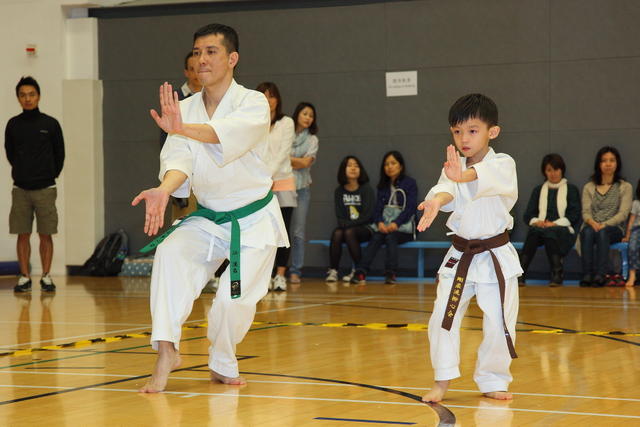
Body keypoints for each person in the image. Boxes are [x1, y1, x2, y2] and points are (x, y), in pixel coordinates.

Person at [132, 23, 287, 393]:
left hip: (253, 219)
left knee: (231, 302)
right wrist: (164, 190)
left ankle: (221, 360)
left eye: (211, 52)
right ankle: (167, 350)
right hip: (208, 217)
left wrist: (182, 127)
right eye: (198, 52)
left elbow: (220, 136)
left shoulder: (252, 103)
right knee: (170, 254)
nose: (202, 59)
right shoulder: (182, 110)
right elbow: (180, 163)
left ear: (232, 59)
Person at [417, 93, 521, 403]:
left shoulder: (503, 164)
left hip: (495, 257)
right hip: (459, 256)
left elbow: (480, 178)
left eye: (473, 130)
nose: (464, 138)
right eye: (457, 131)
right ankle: (442, 381)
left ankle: (493, 379)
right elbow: (446, 189)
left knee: (499, 321)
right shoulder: (453, 167)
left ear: (493, 132)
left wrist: (461, 176)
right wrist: (436, 200)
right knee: (442, 318)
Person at [5, 76, 65, 293]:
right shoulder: (12, 124)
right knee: (22, 233)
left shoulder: (50, 124)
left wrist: (47, 175)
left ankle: (46, 277)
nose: (27, 99)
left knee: (46, 233)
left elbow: (60, 154)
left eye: (31, 94)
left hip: (46, 189)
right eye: (23, 95)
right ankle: (24, 277)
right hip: (20, 189)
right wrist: (24, 174)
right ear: (18, 98)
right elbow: (10, 153)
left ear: (38, 96)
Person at [351, 151, 417, 284]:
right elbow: (377, 209)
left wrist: (396, 223)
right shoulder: (383, 186)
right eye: (386, 164)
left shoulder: (410, 183)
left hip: (404, 229)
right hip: (385, 226)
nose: (389, 167)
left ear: (401, 166)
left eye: (393, 163)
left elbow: (410, 208)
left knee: (390, 237)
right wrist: (379, 222)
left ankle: (391, 273)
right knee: (376, 236)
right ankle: (361, 272)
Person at [256, 82, 296, 292]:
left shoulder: (286, 122)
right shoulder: (254, 123)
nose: (268, 100)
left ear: (277, 100)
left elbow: (283, 153)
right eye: (263, 96)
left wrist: (268, 176)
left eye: (271, 96)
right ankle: (263, 275)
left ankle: (280, 275)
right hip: (260, 185)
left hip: (281, 182)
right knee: (262, 233)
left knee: (283, 231)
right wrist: (261, 179)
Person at [519, 154, 581, 287]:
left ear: (562, 170)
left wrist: (554, 224)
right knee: (534, 231)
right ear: (544, 172)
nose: (553, 173)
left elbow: (574, 215)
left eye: (556, 169)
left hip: (563, 231)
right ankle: (520, 274)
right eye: (549, 170)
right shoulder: (538, 190)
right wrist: (537, 221)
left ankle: (557, 273)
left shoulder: (571, 190)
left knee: (549, 232)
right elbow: (528, 215)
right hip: (541, 228)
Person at [579, 146, 631, 287]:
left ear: (617, 163)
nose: (608, 164)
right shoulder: (589, 187)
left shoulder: (625, 186)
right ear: (599, 164)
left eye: (612, 160)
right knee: (587, 232)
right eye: (604, 161)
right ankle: (587, 275)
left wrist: (605, 224)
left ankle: (601, 275)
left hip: (614, 228)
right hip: (592, 225)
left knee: (602, 233)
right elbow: (585, 212)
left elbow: (623, 213)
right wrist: (592, 222)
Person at [161, 52, 204, 221]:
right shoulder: (175, 99)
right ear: (186, 72)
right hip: (183, 175)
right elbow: (167, 141)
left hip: (205, 176)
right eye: (192, 70)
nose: (196, 74)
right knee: (182, 226)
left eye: (198, 69)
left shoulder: (212, 99)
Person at [326, 156, 374, 283]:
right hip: (346, 227)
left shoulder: (366, 189)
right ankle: (333, 271)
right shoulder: (339, 191)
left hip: (365, 228)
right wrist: (346, 224)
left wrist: (349, 224)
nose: (353, 168)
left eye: (356, 165)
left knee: (348, 232)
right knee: (337, 233)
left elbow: (368, 216)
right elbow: (340, 216)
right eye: (349, 165)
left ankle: (359, 271)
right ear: (343, 169)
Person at [288, 102, 319, 284]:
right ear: (297, 114)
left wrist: (287, 158)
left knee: (298, 231)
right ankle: (276, 269)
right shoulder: (285, 131)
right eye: (305, 113)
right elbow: (275, 155)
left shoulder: (312, 139)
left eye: (311, 115)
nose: (308, 118)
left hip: (302, 190)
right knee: (279, 229)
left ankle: (295, 270)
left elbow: (306, 163)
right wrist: (295, 160)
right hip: (281, 187)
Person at [623, 180, 640, 288]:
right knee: (632, 247)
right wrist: (628, 235)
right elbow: (631, 221)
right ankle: (632, 275)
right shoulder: (636, 203)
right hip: (637, 229)